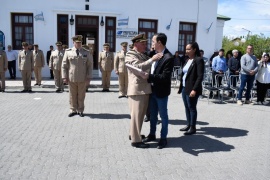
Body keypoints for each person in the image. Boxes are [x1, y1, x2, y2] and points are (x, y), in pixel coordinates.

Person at [125, 33, 162, 148]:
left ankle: (134, 134)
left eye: (146, 43)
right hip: (137, 90)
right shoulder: (130, 54)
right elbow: (139, 67)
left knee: (139, 116)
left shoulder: (141, 54)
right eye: (143, 43)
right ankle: (136, 141)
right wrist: (152, 60)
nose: (145, 45)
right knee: (137, 116)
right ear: (136, 44)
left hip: (143, 89)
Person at [141, 33, 174, 149]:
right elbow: (143, 54)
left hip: (161, 92)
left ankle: (163, 138)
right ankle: (152, 134)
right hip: (152, 90)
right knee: (153, 115)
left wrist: (149, 76)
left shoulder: (168, 57)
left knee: (163, 116)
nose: (152, 44)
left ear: (159, 42)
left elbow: (165, 77)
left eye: (153, 41)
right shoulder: (154, 54)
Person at [62, 35, 93, 117]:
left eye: (80, 42)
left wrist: (89, 77)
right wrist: (64, 77)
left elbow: (90, 65)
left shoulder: (86, 52)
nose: (79, 44)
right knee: (72, 95)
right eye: (77, 42)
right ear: (73, 43)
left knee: (81, 95)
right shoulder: (68, 52)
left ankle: (80, 110)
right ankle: (73, 110)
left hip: (82, 78)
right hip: (71, 78)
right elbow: (64, 65)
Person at [177, 42, 204, 135]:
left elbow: (200, 76)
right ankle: (188, 124)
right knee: (186, 107)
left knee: (192, 107)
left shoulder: (198, 60)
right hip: (185, 87)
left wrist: (194, 89)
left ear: (194, 49)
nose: (186, 51)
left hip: (192, 88)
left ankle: (193, 127)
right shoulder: (187, 60)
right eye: (186, 49)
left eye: (189, 49)